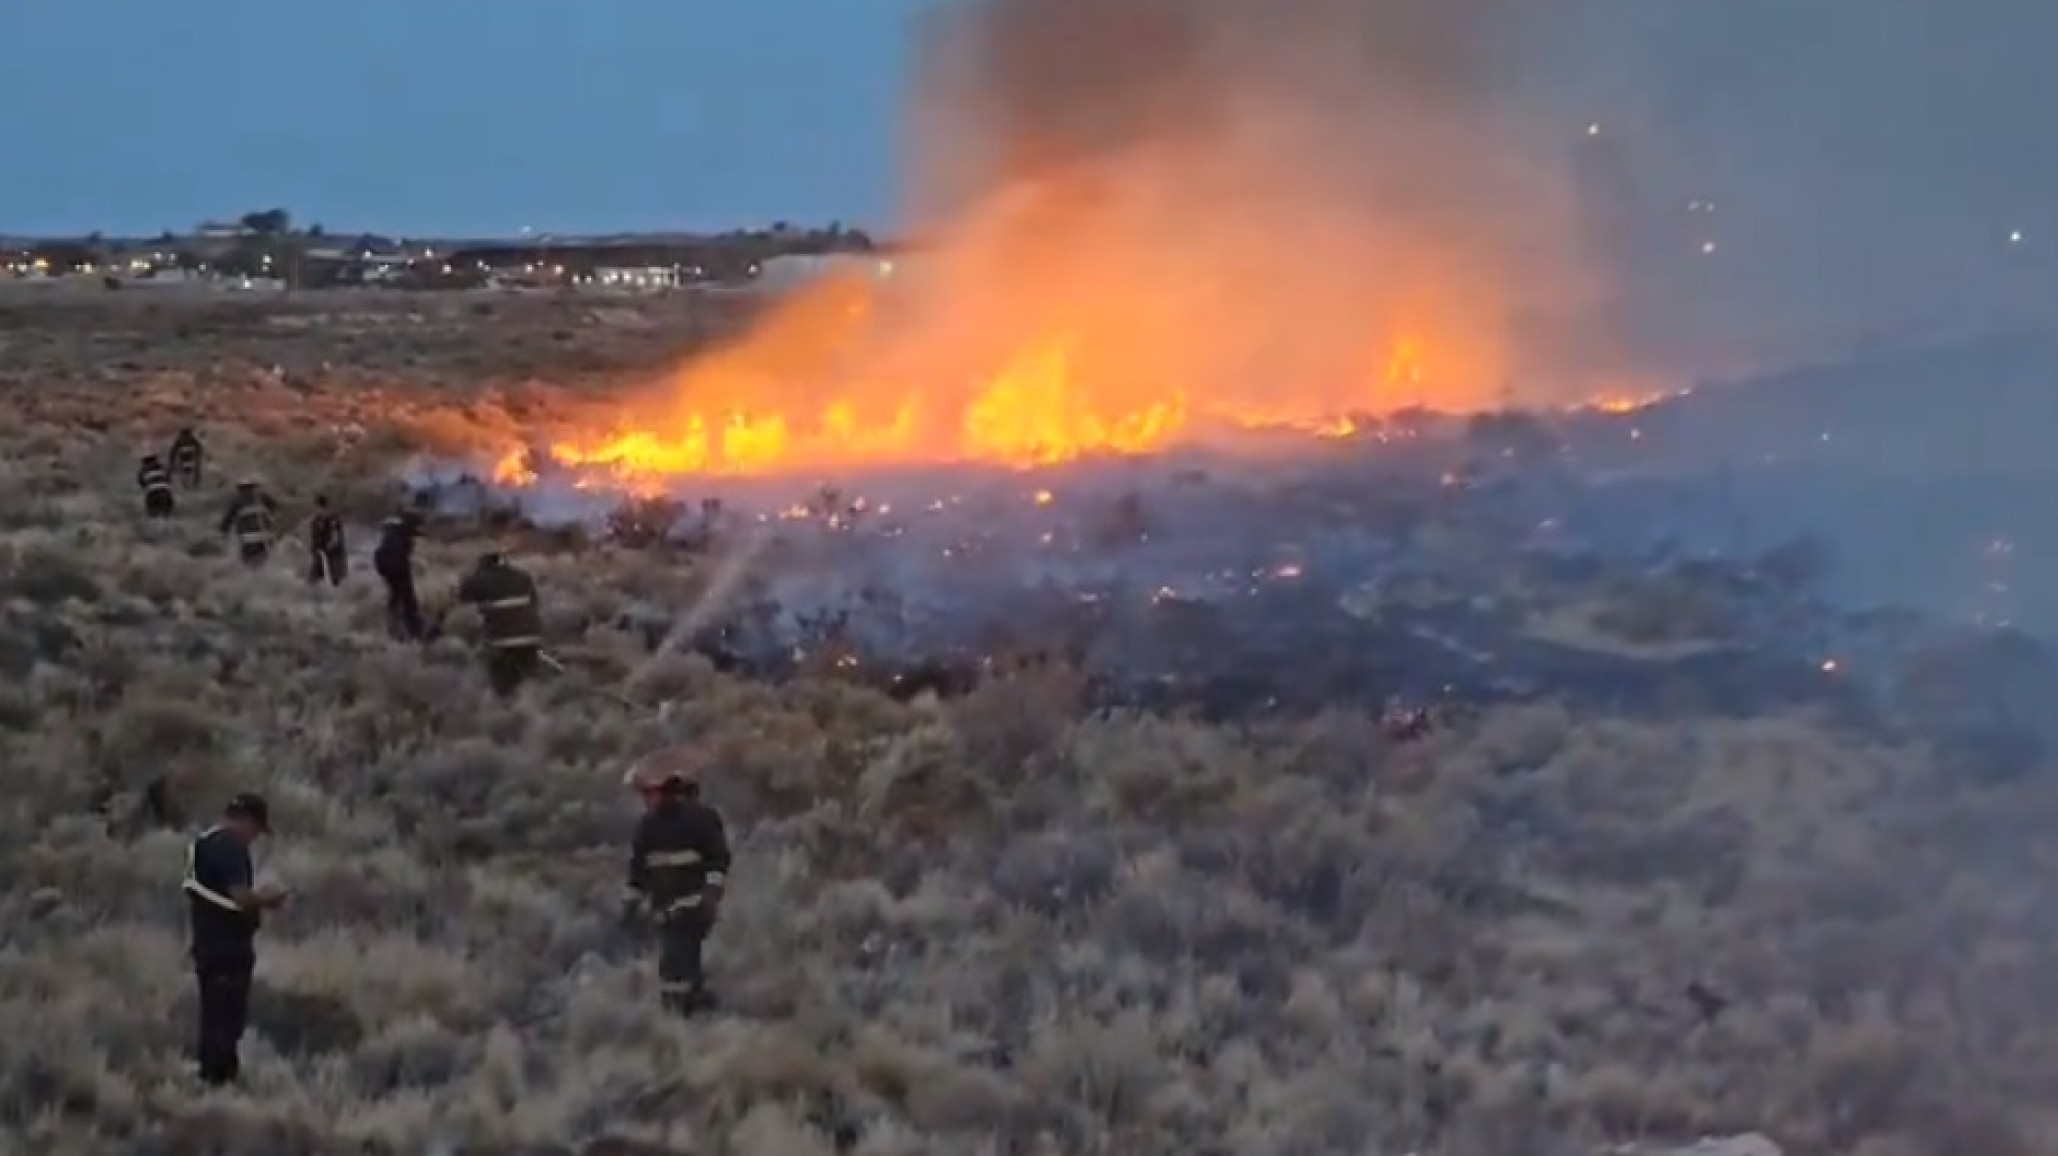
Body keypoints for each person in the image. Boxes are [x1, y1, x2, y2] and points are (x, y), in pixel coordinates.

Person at [183, 793, 286, 1087]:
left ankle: (208, 1083)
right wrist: (268, 900)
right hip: (228, 949)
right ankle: (220, 1084)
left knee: (213, 1018)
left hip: (208, 945)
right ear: (245, 820)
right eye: (256, 829)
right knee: (227, 1023)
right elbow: (240, 896)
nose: (254, 838)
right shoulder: (230, 848)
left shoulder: (205, 844)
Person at [623, 753, 730, 1016]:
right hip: (673, 910)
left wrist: (709, 896)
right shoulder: (648, 826)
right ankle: (700, 1010)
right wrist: (632, 905)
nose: (646, 801)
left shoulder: (697, 819)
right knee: (682, 966)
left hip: (689, 908)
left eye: (649, 793)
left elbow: (717, 860)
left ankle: (682, 1020)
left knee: (675, 966)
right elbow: (638, 872)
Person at [455, 550, 543, 696]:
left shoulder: (479, 579)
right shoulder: (523, 576)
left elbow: (463, 599)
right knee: (529, 675)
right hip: (531, 636)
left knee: (502, 681)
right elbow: (534, 601)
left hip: (501, 640)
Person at [372, 511, 425, 640]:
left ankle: (394, 625)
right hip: (395, 565)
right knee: (407, 599)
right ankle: (413, 632)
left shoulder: (393, 529)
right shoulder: (403, 533)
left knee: (396, 595)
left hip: (383, 562)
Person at [219, 479, 279, 567]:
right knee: (264, 564)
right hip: (265, 539)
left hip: (248, 541)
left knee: (250, 566)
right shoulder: (262, 497)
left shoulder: (237, 500)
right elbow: (275, 509)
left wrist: (223, 533)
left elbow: (226, 522)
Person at [305, 496, 347, 586]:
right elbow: (313, 537)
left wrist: (327, 548)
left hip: (334, 555)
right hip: (319, 554)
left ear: (320, 507)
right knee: (313, 579)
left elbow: (335, 537)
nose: (313, 510)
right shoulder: (315, 521)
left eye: (315, 507)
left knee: (336, 580)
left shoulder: (332, 519)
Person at [137, 453, 175, 518]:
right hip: (165, 493)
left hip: (152, 494)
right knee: (166, 511)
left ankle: (154, 516)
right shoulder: (163, 467)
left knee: (152, 513)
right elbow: (169, 479)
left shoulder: (143, 470)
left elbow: (142, 483)